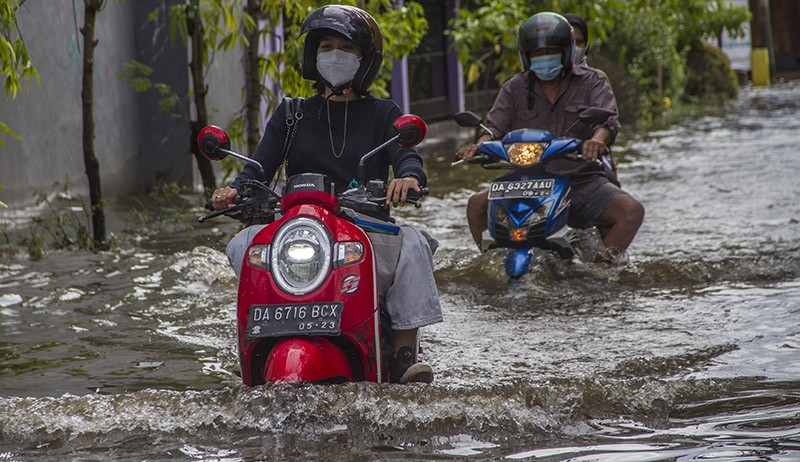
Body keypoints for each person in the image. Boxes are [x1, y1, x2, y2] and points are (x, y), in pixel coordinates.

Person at [210, 5, 442, 384]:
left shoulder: (384, 113)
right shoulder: (292, 113)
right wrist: (234, 190)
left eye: (346, 48)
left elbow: (407, 156)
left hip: (365, 229)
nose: (334, 55)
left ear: (365, 60)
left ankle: (402, 353)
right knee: (243, 244)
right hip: (299, 229)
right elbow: (257, 169)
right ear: (312, 55)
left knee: (414, 242)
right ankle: (252, 345)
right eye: (326, 46)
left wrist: (409, 178)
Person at [456, 12, 644, 260]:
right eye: (537, 53)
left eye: (551, 52)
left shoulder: (592, 81)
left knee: (630, 211)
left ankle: (601, 270)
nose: (545, 59)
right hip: (524, 179)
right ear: (526, 55)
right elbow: (493, 128)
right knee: (476, 205)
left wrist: (597, 141)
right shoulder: (514, 87)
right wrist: (478, 146)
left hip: (580, 179)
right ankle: (492, 261)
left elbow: (608, 121)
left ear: (566, 51)